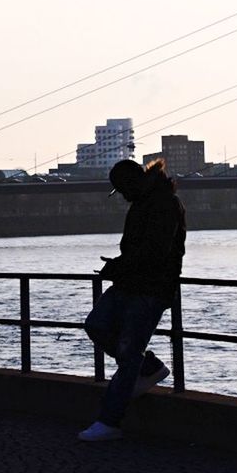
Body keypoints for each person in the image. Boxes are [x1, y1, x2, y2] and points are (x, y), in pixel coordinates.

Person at [78, 157, 186, 442]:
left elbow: (155, 253)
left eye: (121, 189)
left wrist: (118, 266)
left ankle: (109, 421)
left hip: (151, 289)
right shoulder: (145, 202)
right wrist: (119, 265)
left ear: (131, 183)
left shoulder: (165, 204)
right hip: (130, 282)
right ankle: (147, 367)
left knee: (127, 351)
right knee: (96, 325)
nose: (122, 196)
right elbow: (142, 251)